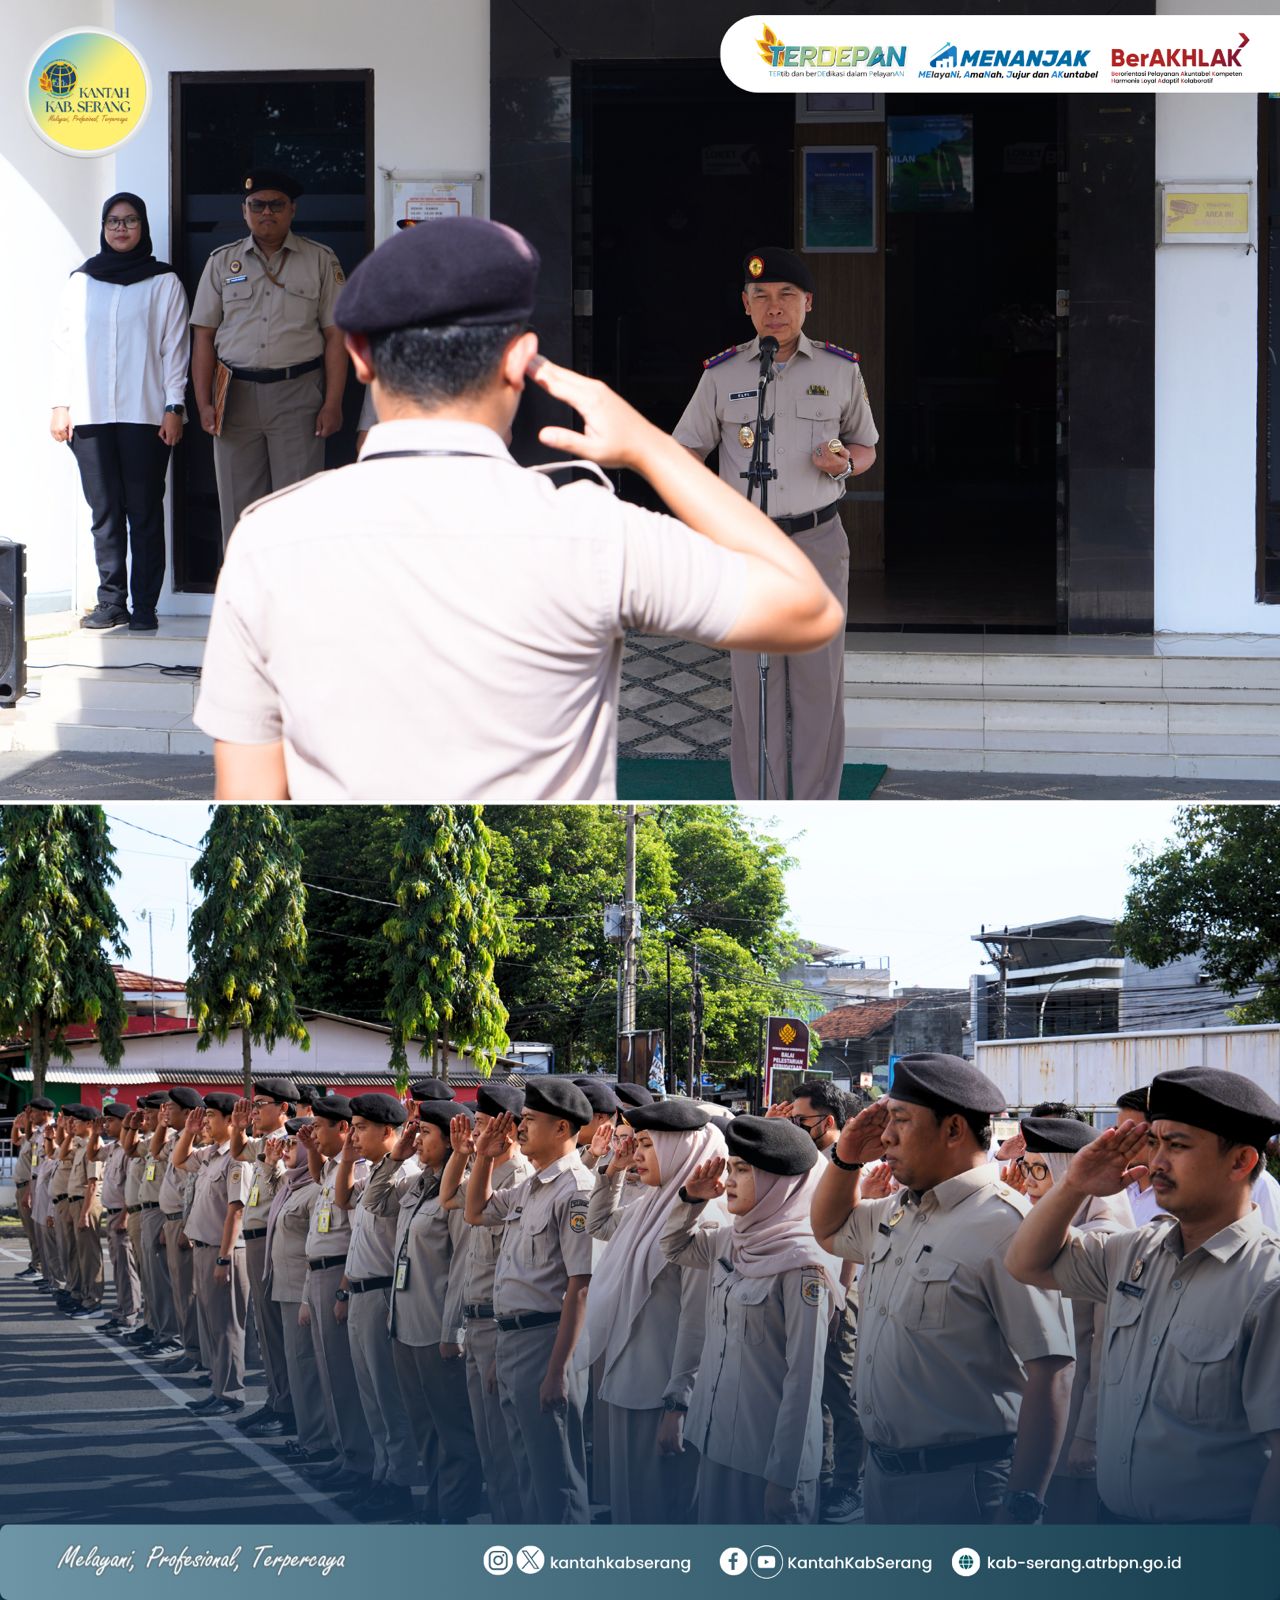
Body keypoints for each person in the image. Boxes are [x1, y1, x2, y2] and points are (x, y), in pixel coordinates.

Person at [194, 216, 843, 802]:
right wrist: (646, 447)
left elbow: (248, 801)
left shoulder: (266, 541)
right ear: (519, 361)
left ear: (360, 357)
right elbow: (807, 608)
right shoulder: (588, 530)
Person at [1006, 1066, 1280, 1526]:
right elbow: (1025, 1263)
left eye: (1177, 1145)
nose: (1157, 1162)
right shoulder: (1135, 1250)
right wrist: (1075, 1183)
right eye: (1153, 1143)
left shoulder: (1267, 1283)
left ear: (1241, 1162)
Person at [810, 1053, 1076, 1526]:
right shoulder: (902, 1208)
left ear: (953, 1130)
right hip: (886, 1475)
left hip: (964, 1487)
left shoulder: (1006, 1223)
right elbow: (830, 1230)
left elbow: (1051, 1370)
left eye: (901, 1121)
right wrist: (845, 1156)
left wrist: (1023, 1503)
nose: (885, 1135)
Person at [673, 247, 880, 800]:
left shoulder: (841, 370)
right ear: (746, 305)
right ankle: (760, 803)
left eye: (787, 295)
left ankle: (816, 804)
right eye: (761, 296)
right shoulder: (723, 374)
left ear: (808, 303)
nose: (775, 307)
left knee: (819, 687)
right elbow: (682, 452)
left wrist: (847, 463)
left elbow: (866, 446)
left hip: (817, 540)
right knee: (753, 687)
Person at [661, 1114, 841, 1523]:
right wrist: (691, 1200)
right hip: (717, 1443)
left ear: (780, 1184)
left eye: (743, 1170)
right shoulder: (732, 1240)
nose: (730, 1180)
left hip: (766, 1459)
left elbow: (804, 1380)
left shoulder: (803, 1266)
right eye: (730, 1167)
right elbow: (673, 1247)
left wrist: (785, 1476)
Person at [50, 193, 189, 632]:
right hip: (90, 415)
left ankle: (144, 605)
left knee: (144, 510)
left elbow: (175, 350)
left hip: (144, 412)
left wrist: (174, 406)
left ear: (142, 226)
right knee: (104, 512)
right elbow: (65, 347)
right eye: (113, 220)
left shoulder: (164, 281)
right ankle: (111, 601)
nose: (121, 228)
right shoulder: (81, 280)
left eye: (130, 220)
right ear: (103, 226)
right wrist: (60, 404)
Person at [583, 1098, 725, 1524]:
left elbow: (696, 1322)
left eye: (647, 1145)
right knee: (631, 1511)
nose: (637, 1154)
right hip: (627, 1380)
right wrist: (612, 1171)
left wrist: (678, 1405)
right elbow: (598, 1226)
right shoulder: (650, 1206)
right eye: (636, 1144)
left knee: (659, 1515)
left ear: (680, 1149)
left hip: (661, 1393)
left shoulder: (704, 1221)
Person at [189, 170, 348, 546]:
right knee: (238, 508)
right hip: (235, 398)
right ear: (245, 211)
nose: (266, 213)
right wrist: (203, 402)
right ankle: (242, 599)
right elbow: (204, 336)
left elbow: (336, 336)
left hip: (298, 396)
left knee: (298, 507)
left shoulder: (320, 260)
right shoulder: (221, 262)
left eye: (276, 205)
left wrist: (333, 403)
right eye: (257, 205)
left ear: (292, 210)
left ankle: (294, 600)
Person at [464, 1077, 596, 1523]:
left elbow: (580, 1286)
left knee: (555, 1478)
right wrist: (482, 1155)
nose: (520, 1129)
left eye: (531, 1121)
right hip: (515, 1339)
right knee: (525, 1470)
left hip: (546, 1341)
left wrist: (557, 1370)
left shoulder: (576, 1189)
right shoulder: (533, 1186)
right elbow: (475, 1211)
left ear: (562, 1128)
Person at [1015, 1115, 1134, 1524]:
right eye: (1023, 1166)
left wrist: (1089, 1435)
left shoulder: (1104, 1238)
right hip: (1040, 1408)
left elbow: (1107, 1349)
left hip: (1078, 1415)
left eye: (1038, 1169)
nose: (1027, 1180)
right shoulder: (1046, 1227)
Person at [377, 1098, 483, 1524]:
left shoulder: (460, 1190)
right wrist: (394, 1157)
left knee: (452, 1431)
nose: (417, 1139)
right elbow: (373, 1203)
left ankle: (454, 1515)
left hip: (436, 1326)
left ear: (451, 1139)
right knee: (424, 1425)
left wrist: (452, 1330)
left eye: (425, 1134)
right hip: (404, 1321)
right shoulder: (417, 1184)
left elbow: (462, 1266)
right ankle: (436, 1507)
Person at [768, 1079, 862, 1524]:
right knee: (812, 1386)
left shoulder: (851, 1166)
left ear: (827, 1123)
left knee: (841, 1389)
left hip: (843, 1285)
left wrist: (841, 1298)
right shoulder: (803, 1161)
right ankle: (821, 1475)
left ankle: (849, 1483)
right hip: (807, 1279)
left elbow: (846, 1240)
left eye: (800, 1121)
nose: (794, 1127)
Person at [439, 1081, 532, 1523]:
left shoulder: (521, 1182)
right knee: (490, 1446)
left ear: (508, 1128)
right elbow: (448, 1199)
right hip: (474, 1323)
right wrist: (463, 1154)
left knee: (508, 1450)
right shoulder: (483, 1172)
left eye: (481, 1125)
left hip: (501, 1328)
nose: (474, 1135)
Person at [332, 1092, 423, 1522]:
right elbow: (344, 1200)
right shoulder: (376, 1172)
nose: (354, 1135)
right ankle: (381, 1475)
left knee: (389, 1398)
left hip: (384, 1291)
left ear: (390, 1132)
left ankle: (399, 1484)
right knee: (371, 1396)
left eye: (362, 1128)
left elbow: (370, 1205)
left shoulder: (406, 1174)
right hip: (361, 1291)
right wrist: (348, 1159)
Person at [295, 1096, 377, 1498]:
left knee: (344, 1376)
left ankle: (360, 1458)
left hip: (338, 1272)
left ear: (343, 1130)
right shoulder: (331, 1167)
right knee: (329, 1371)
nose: (313, 1133)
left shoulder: (358, 1169)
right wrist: (313, 1150)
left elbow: (355, 1235)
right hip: (319, 1271)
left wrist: (342, 1290)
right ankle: (345, 1452)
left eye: (321, 1127)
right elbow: (318, 1180)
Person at [171, 1095, 252, 1417]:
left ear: (231, 1121)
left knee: (227, 1326)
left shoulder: (238, 1159)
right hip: (202, 1248)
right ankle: (219, 1388)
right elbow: (179, 1161)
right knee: (212, 1325)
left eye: (211, 1117)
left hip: (223, 1252)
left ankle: (231, 1393)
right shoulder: (209, 1155)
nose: (206, 1123)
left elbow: (236, 1211)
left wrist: (223, 1257)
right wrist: (189, 1132)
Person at [228, 1080, 298, 1439]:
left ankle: (287, 1406)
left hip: (273, 1242)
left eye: (263, 1104)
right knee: (266, 1329)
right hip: (255, 1240)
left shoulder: (292, 1143)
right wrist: (239, 1126)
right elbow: (239, 1149)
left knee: (276, 1327)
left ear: (284, 1108)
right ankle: (276, 1399)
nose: (255, 1110)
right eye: (253, 1104)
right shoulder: (262, 1142)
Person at [265, 1120, 335, 1470]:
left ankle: (319, 1439)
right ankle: (310, 1435)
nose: (288, 1149)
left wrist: (307, 1296)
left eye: (295, 1144)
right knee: (298, 1366)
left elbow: (315, 1248)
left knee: (308, 1367)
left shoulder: (312, 1189)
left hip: (301, 1289)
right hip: (285, 1285)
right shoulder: (292, 1185)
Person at [91, 1102, 140, 1333]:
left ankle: (129, 1315)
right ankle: (121, 1311)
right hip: (112, 1214)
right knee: (119, 1269)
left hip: (122, 1215)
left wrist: (125, 1216)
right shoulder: (112, 1148)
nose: (106, 1125)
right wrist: (95, 1133)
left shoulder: (131, 1150)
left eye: (110, 1121)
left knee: (127, 1270)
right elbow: (92, 1155)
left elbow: (134, 1187)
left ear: (124, 1122)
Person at [65, 1104, 105, 1319]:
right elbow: (61, 1155)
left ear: (90, 1124)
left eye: (77, 1122)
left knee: (90, 1256)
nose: (73, 1125)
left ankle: (94, 1301)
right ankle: (83, 1296)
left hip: (86, 1203)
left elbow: (92, 1184)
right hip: (76, 1202)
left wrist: (84, 1214)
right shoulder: (80, 1145)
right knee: (81, 1254)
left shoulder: (94, 1146)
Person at [14, 1099, 56, 1279]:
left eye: (34, 1112)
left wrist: (30, 1192)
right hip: (35, 1186)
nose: (30, 1115)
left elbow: (44, 1167)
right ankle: (47, 1275)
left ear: (46, 1113)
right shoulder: (38, 1135)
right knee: (38, 1233)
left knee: (47, 1235)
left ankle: (47, 1273)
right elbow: (34, 1166)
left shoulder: (51, 1132)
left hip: (45, 1188)